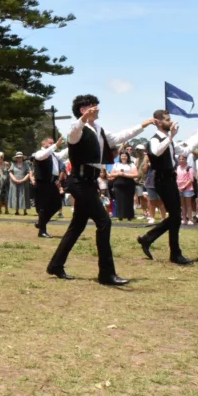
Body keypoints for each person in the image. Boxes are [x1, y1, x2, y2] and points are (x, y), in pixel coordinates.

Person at [46, 94, 155, 285]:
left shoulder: (98, 129)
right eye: (93, 106)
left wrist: (142, 125)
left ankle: (56, 264)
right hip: (79, 182)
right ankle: (106, 273)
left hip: (90, 181)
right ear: (83, 109)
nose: (97, 108)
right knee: (104, 221)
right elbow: (73, 133)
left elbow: (121, 136)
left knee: (77, 226)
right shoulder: (78, 129)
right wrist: (82, 118)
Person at [136, 110, 195, 265]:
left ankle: (149, 239)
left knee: (176, 216)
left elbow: (185, 150)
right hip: (162, 179)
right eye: (168, 119)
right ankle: (173, 253)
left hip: (170, 178)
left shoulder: (169, 141)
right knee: (175, 216)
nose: (171, 122)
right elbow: (156, 151)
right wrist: (170, 137)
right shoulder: (154, 140)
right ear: (158, 122)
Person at [31, 137, 68, 239]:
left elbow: (63, 153)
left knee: (57, 204)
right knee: (43, 207)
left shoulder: (54, 155)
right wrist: (56, 145)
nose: (53, 145)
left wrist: (73, 143)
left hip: (51, 183)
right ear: (44, 144)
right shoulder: (39, 153)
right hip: (42, 183)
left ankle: (41, 222)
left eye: (53, 143)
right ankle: (42, 231)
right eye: (50, 143)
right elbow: (41, 156)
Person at [109, 150, 138, 221]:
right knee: (119, 200)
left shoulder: (131, 164)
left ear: (128, 157)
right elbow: (111, 174)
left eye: (125, 156)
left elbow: (136, 174)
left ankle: (129, 216)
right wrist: (118, 174)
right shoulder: (116, 164)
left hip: (129, 183)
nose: (123, 157)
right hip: (118, 183)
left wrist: (125, 174)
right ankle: (120, 216)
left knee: (129, 199)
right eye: (122, 156)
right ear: (120, 157)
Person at [176, 154, 196, 225]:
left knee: (188, 205)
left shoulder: (189, 168)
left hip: (187, 188)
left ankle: (190, 219)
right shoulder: (177, 167)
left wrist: (184, 186)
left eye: (183, 159)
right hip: (179, 188)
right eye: (180, 159)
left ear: (186, 160)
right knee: (182, 205)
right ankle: (184, 219)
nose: (181, 161)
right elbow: (176, 178)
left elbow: (191, 179)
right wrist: (178, 187)